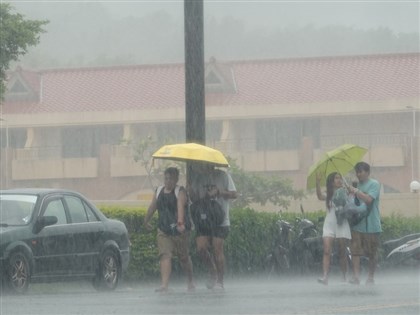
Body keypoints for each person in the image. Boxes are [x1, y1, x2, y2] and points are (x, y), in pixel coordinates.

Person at [144, 167, 195, 292]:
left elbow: (180, 207)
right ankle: (164, 285)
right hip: (164, 230)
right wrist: (146, 220)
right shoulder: (159, 191)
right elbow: (152, 207)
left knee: (183, 257)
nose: (168, 181)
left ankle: (190, 280)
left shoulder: (180, 191)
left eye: (171, 178)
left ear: (177, 179)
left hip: (179, 231)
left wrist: (180, 222)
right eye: (166, 178)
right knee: (165, 255)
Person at [188, 162, 237, 290]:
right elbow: (194, 199)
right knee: (201, 248)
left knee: (217, 248)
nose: (206, 166)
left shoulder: (223, 176)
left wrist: (219, 192)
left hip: (220, 218)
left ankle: (220, 281)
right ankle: (212, 271)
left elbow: (234, 194)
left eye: (208, 164)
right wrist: (190, 190)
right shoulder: (198, 178)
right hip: (204, 218)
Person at [347, 162, 382, 285]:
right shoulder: (356, 185)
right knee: (355, 251)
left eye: (361, 171)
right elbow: (351, 205)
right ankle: (356, 277)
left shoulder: (374, 184)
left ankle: (370, 277)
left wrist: (356, 191)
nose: (358, 174)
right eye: (357, 172)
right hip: (357, 225)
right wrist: (350, 194)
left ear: (368, 172)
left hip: (372, 225)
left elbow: (368, 200)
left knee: (372, 252)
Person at [315, 172, 352, 285]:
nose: (339, 180)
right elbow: (320, 196)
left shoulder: (345, 192)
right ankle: (325, 277)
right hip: (329, 224)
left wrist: (349, 190)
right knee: (327, 251)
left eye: (340, 178)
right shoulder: (329, 195)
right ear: (331, 181)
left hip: (341, 223)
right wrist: (317, 182)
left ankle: (344, 275)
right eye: (336, 178)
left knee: (342, 251)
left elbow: (351, 204)